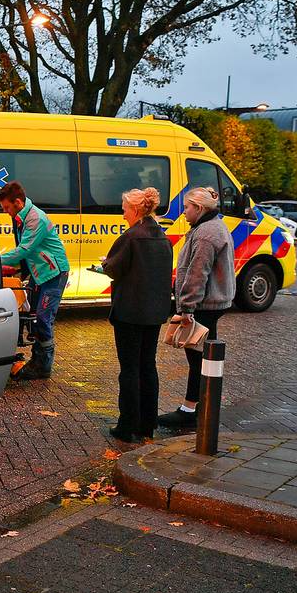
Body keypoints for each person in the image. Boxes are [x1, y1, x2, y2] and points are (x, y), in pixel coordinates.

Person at [158, 186, 235, 428]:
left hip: (204, 304)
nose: (183, 213)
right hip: (211, 301)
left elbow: (197, 273)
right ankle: (202, 406)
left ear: (199, 208)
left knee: (198, 358)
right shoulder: (212, 227)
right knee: (203, 358)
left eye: (187, 207)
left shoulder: (205, 234)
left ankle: (191, 410)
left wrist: (187, 308)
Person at [102, 188, 173, 442]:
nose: (122, 215)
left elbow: (113, 267)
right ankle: (147, 423)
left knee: (129, 369)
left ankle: (127, 425)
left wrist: (105, 263)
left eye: (124, 209)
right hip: (154, 313)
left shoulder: (130, 237)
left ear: (134, 210)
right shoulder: (162, 237)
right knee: (148, 366)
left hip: (130, 312)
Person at [0, 180, 70, 380]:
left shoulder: (35, 218)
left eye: (6, 207)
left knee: (44, 319)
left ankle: (43, 366)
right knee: (36, 318)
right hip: (41, 272)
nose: (5, 211)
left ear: (18, 203)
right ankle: (37, 362)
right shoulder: (21, 216)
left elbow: (24, 249)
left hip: (53, 274)